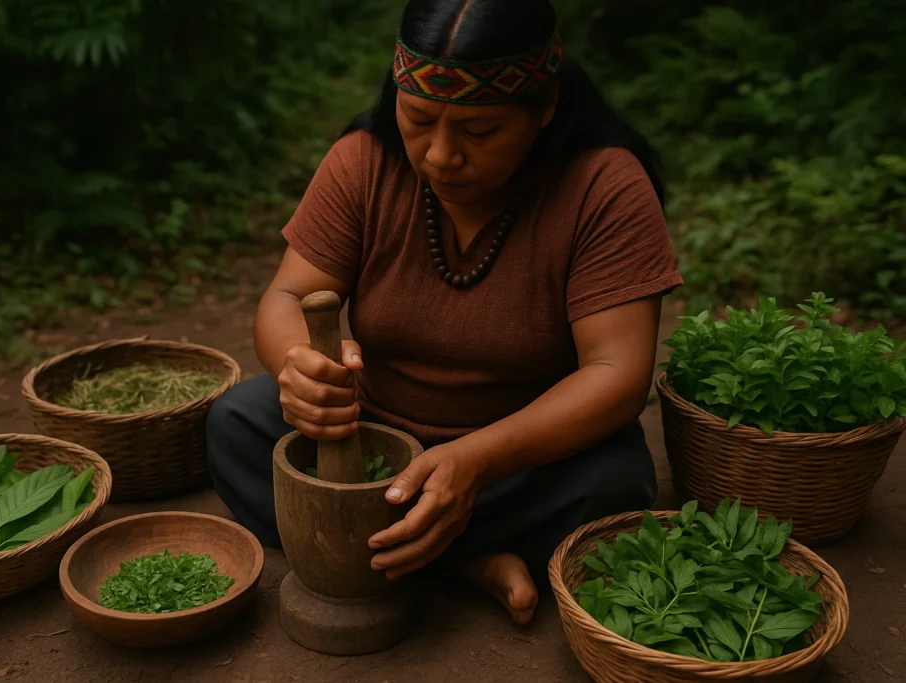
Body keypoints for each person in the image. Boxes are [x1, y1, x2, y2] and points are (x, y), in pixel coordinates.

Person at [207, 0, 683, 626]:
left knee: (612, 484)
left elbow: (617, 373)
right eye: (419, 119)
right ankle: (464, 562)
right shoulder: (363, 160)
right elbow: (287, 296)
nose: (439, 156)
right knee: (236, 423)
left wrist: (477, 460)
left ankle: (377, 549)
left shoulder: (603, 187)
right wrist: (299, 367)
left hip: (518, 457)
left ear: (544, 110)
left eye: (480, 133)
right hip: (371, 433)